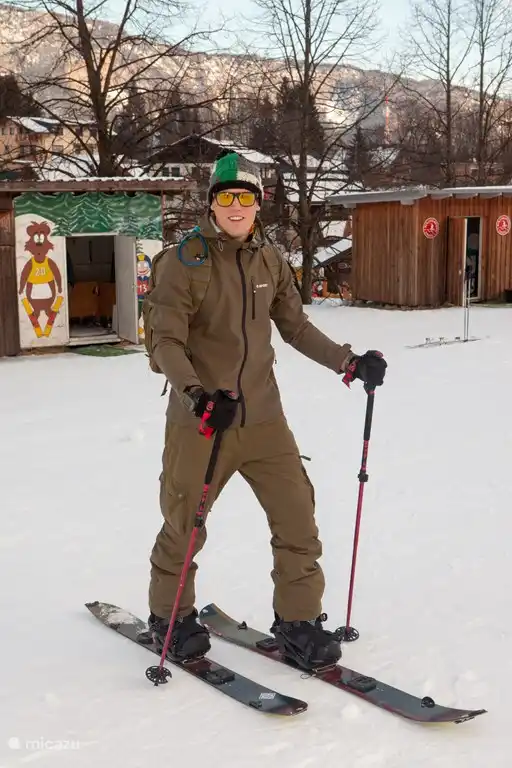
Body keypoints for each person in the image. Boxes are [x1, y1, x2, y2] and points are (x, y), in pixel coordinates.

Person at [145, 149, 387, 671]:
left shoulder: (270, 260)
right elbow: (164, 342)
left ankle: (299, 622)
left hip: (264, 418)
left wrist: (349, 362)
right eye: (226, 196)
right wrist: (197, 395)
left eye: (246, 197)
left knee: (298, 515)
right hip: (204, 420)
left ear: (259, 203)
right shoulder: (183, 262)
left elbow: (295, 326)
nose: (236, 206)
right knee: (186, 523)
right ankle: (170, 616)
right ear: (211, 203)